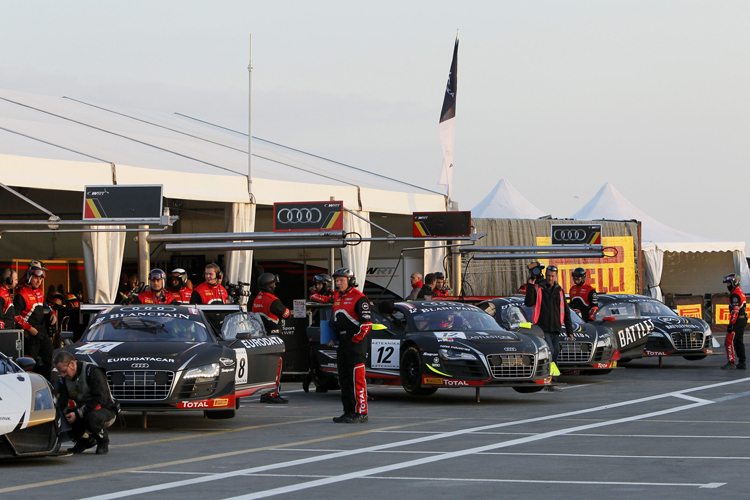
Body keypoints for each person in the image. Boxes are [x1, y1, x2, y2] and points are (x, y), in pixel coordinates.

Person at [53, 351, 117, 454]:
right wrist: (58, 416)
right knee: (64, 417)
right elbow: (62, 402)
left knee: (91, 418)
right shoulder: (64, 380)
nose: (63, 375)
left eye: (64, 371)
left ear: (72, 364)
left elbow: (101, 399)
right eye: (60, 372)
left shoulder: (92, 371)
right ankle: (84, 440)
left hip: (104, 409)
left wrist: (78, 414)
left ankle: (102, 440)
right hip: (83, 410)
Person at [331, 267, 372, 424]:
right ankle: (348, 411)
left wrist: (355, 340)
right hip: (342, 344)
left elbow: (367, 324)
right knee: (344, 379)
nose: (338, 283)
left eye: (341, 280)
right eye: (337, 280)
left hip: (355, 345)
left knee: (357, 379)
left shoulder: (359, 298)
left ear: (351, 281)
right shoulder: (337, 298)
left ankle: (362, 412)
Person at [525, 263, 574, 391]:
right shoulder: (538, 288)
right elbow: (529, 302)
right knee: (550, 352)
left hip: (556, 329)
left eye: (552, 276)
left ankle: (553, 380)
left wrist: (570, 331)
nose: (550, 278)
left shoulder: (560, 291)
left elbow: (566, 311)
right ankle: (548, 380)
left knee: (555, 354)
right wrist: (530, 285)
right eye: (548, 276)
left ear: (556, 276)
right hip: (543, 328)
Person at [251, 273, 290, 404]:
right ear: (269, 285)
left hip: (260, 337)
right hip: (274, 337)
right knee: (276, 365)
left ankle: (265, 392)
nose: (275, 285)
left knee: (265, 366)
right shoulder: (273, 300)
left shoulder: (256, 299)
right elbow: (286, 314)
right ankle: (272, 394)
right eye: (273, 283)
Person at [14, 261, 56, 380]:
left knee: (52, 361)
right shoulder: (21, 294)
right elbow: (15, 317)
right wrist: (28, 328)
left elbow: (46, 306)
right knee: (28, 365)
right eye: (36, 278)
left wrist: (52, 313)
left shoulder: (40, 292)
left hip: (42, 333)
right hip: (30, 336)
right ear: (29, 277)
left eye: (41, 279)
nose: (39, 281)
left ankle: (50, 387)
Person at [721, 273, 747, 370]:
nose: (727, 285)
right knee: (738, 341)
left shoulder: (735, 295)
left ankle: (731, 362)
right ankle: (742, 362)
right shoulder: (740, 292)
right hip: (742, 318)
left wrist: (731, 324)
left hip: (737, 320)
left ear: (734, 282)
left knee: (729, 340)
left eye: (728, 283)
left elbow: (735, 310)